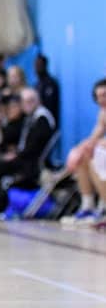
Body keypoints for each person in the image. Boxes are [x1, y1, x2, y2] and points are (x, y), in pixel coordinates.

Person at [60, 79, 106, 225]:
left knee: (94, 155)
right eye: (98, 96)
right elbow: (94, 137)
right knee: (82, 155)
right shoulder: (102, 113)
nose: (101, 100)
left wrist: (97, 144)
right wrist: (81, 147)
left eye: (104, 95)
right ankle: (88, 206)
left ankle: (104, 206)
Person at [34, 54, 60, 124]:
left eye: (40, 65)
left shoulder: (51, 83)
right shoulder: (36, 84)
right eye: (36, 65)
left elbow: (50, 106)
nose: (37, 68)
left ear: (45, 65)